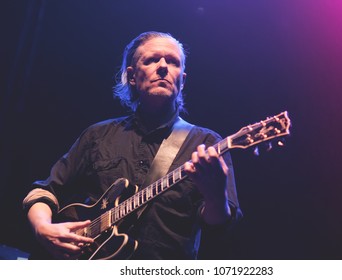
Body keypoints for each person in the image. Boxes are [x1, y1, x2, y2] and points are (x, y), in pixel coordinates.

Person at [22, 31, 242, 260]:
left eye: (173, 62)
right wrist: (42, 228)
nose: (163, 67)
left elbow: (220, 230)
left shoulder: (205, 144)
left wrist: (215, 194)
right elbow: (44, 191)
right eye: (151, 60)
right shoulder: (98, 135)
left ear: (182, 80)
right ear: (133, 76)